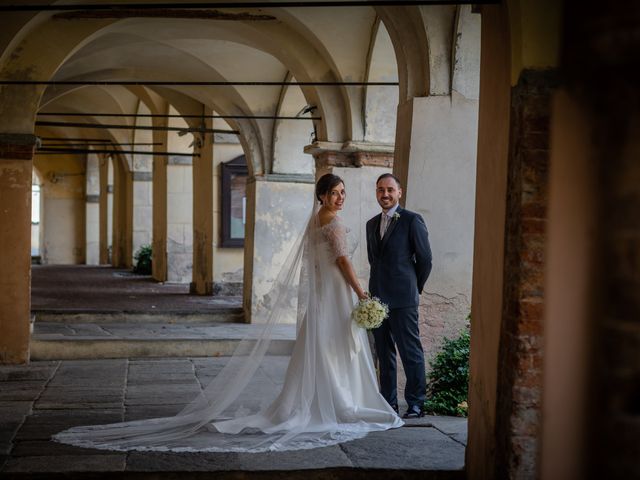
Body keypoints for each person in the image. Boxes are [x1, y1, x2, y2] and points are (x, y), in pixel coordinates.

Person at [53, 173, 402, 453]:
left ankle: (319, 400)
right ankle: (341, 402)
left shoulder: (317, 221)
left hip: (325, 297)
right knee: (334, 347)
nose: (341, 198)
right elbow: (342, 262)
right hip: (337, 293)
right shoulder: (333, 224)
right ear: (322, 196)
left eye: (343, 192)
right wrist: (360, 292)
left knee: (323, 347)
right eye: (336, 192)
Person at [366, 173, 432, 419]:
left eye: (390, 190)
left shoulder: (412, 220)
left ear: (399, 192)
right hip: (378, 300)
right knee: (384, 353)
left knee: (410, 352)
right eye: (380, 190)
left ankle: (416, 404)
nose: (385, 194)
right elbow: (375, 261)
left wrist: (415, 287)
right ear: (376, 192)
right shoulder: (370, 224)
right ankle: (388, 403)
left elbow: (425, 259)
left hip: (404, 298)